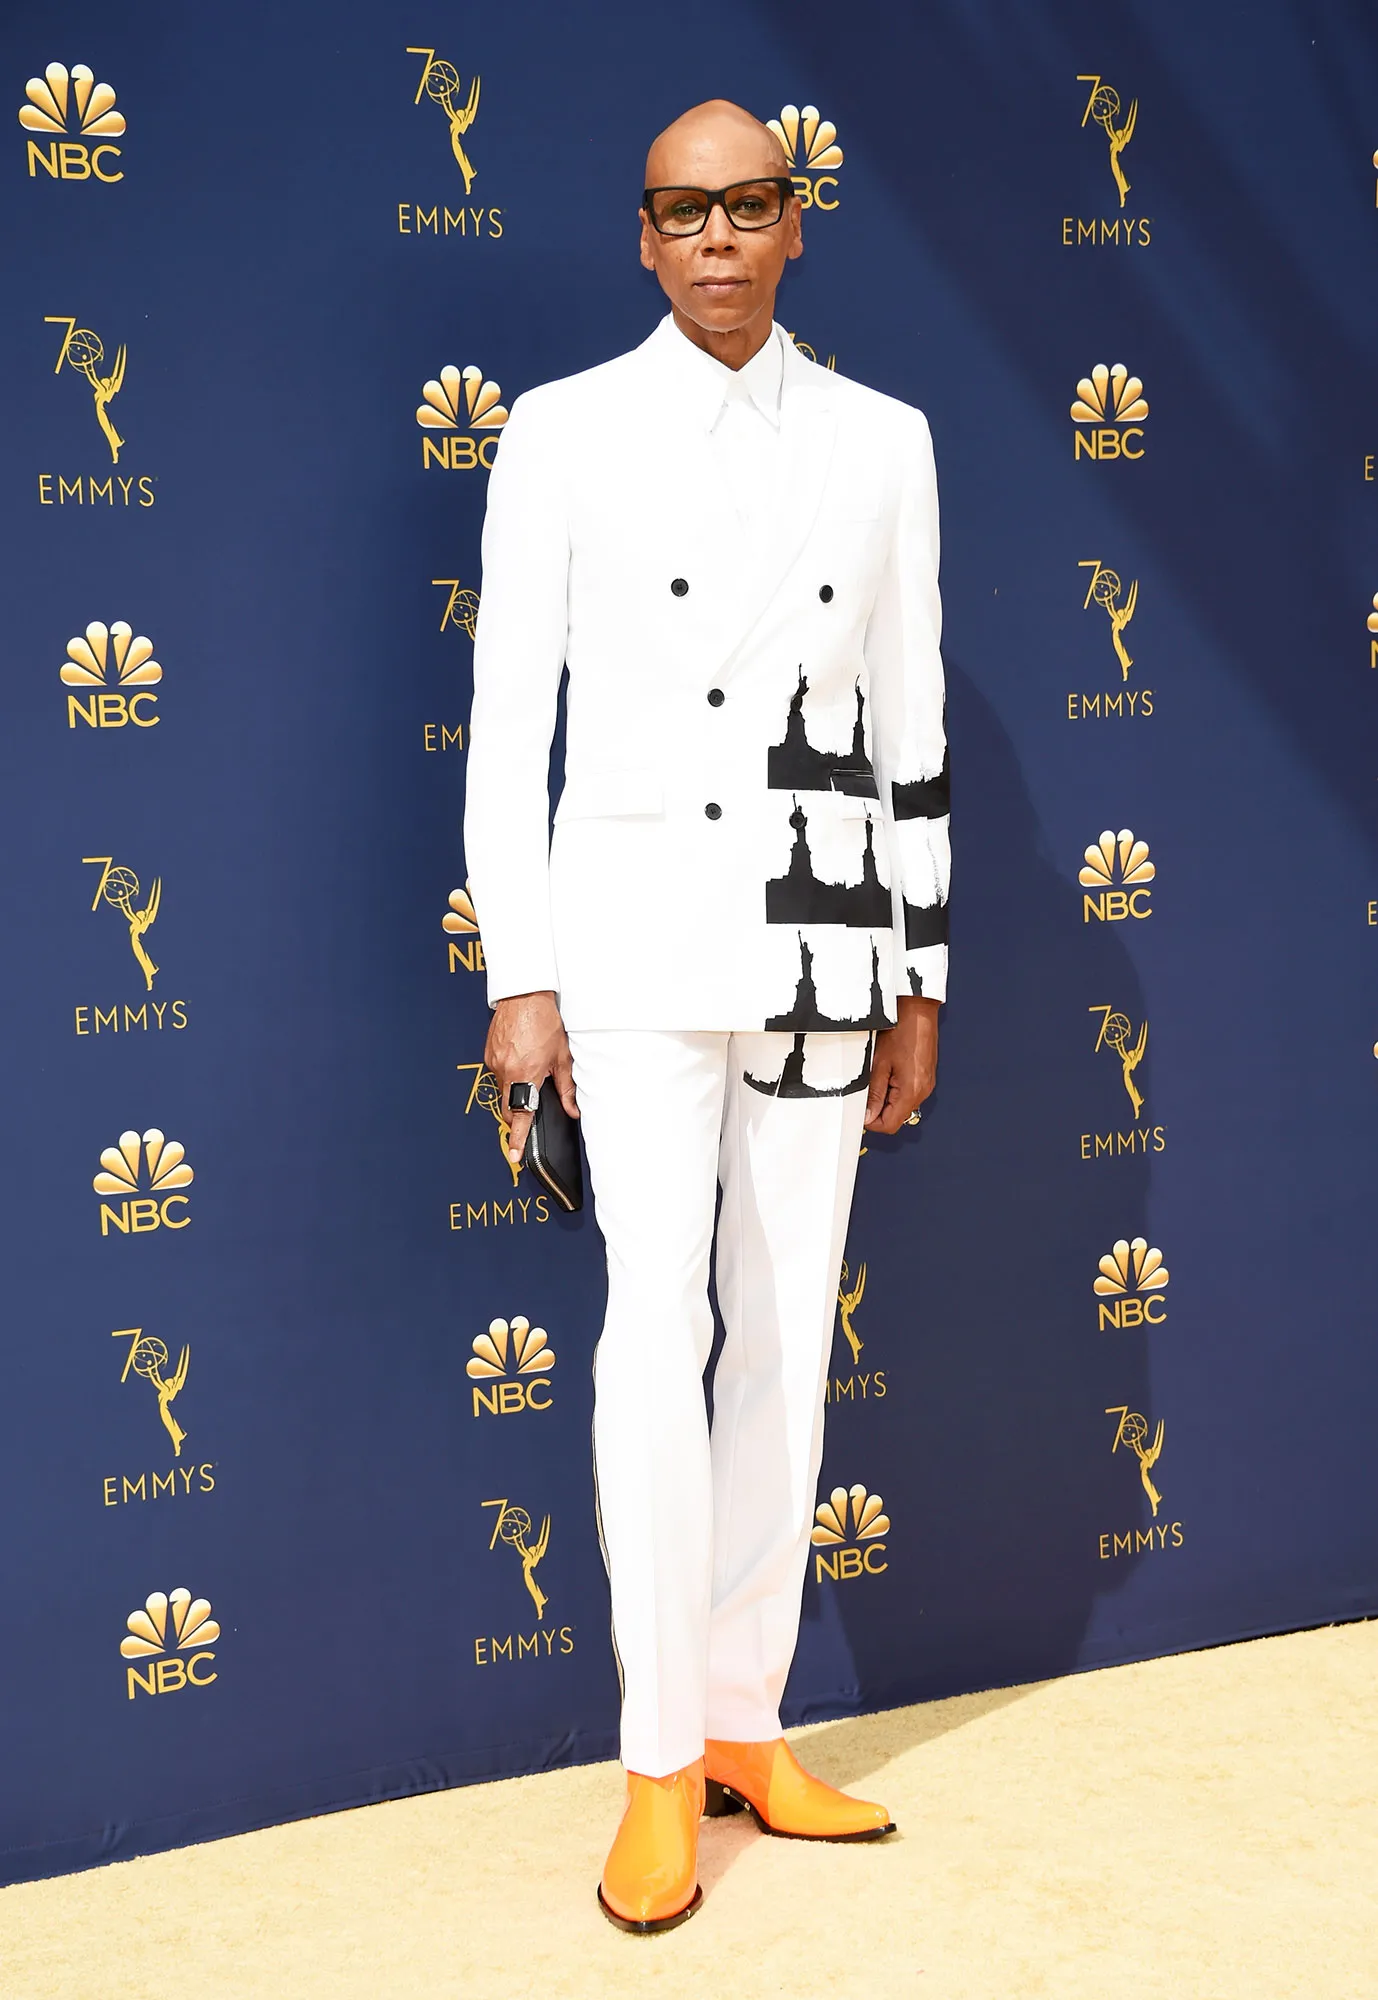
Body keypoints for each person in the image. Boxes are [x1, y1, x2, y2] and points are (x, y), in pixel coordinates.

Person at [463, 98, 949, 1935]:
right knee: (647, 1341)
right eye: (685, 211)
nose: (719, 240)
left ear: (795, 220)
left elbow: (907, 715)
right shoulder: (562, 428)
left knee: (787, 1344)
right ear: (646, 236)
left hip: (823, 948)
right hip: (635, 950)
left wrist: (919, 967)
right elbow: (508, 730)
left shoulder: (883, 438)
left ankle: (748, 1719)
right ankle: (658, 1759)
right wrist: (523, 976)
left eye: (749, 205)